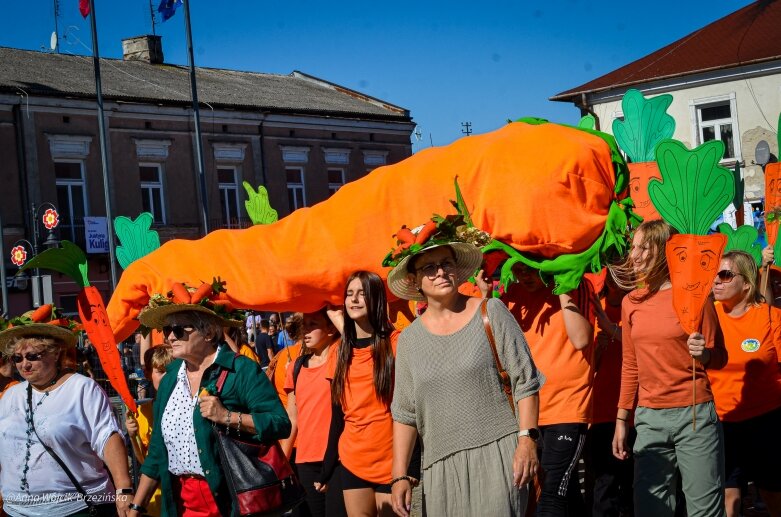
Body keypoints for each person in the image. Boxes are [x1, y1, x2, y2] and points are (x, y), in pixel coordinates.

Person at [387, 220, 545, 517]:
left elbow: (525, 381)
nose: (440, 272)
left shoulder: (490, 312)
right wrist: (398, 476)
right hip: (439, 469)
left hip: (498, 456)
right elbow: (405, 414)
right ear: (414, 280)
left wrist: (526, 441)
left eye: (445, 263)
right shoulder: (408, 340)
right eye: (429, 268)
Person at [127, 284, 291, 517]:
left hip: (231, 500)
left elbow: (279, 423)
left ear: (208, 332)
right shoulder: (170, 379)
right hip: (180, 502)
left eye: (179, 329)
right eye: (167, 329)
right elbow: (157, 451)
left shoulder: (241, 370)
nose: (171, 336)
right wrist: (137, 506)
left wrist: (227, 417)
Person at [611, 219, 728, 517]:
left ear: (664, 252)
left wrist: (704, 356)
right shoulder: (630, 302)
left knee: (704, 510)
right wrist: (622, 419)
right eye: (633, 247)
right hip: (649, 418)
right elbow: (630, 364)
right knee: (650, 508)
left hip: (695, 415)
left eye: (643, 248)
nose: (634, 255)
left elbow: (720, 356)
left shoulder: (695, 295)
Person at [0, 306, 133, 517]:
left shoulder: (81, 388)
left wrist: (123, 490)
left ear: (55, 353)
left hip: (76, 508)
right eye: (17, 358)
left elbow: (108, 437)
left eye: (32, 356)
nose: (24, 364)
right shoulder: (10, 396)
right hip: (15, 510)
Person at [501, 260, 595, 516]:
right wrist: (488, 296)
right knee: (565, 492)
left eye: (530, 269)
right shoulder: (510, 294)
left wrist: (563, 287)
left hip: (567, 407)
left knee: (553, 491)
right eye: (517, 271)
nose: (524, 277)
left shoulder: (576, 286)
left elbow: (581, 338)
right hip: (528, 410)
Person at [709, 249, 781, 517]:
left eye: (725, 275)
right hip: (722, 422)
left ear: (747, 284)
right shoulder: (707, 316)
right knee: (730, 496)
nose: (716, 280)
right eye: (715, 275)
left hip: (768, 421)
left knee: (773, 495)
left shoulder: (769, 316)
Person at [322, 271, 399, 516]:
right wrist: (327, 467)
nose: (354, 300)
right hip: (353, 460)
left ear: (376, 298)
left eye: (362, 294)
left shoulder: (397, 344)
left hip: (392, 460)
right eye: (349, 294)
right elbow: (337, 417)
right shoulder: (338, 353)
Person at [281, 309, 344, 517]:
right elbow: (293, 418)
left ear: (331, 328)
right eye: (304, 324)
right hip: (306, 460)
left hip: (338, 457)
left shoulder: (342, 358)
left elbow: (359, 344)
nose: (305, 331)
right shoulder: (296, 368)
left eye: (312, 324)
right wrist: (282, 461)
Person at [586, 272, 634, 517]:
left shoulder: (637, 307)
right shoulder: (595, 309)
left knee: (633, 484)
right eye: (612, 278)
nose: (616, 284)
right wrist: (599, 348)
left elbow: (644, 349)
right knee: (604, 486)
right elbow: (587, 369)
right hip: (602, 411)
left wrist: (613, 330)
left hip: (635, 412)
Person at [125, 345, 174, 517]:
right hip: (155, 500)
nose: (167, 378)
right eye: (160, 372)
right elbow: (145, 462)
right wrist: (133, 437)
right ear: (148, 374)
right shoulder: (142, 413)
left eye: (171, 371)